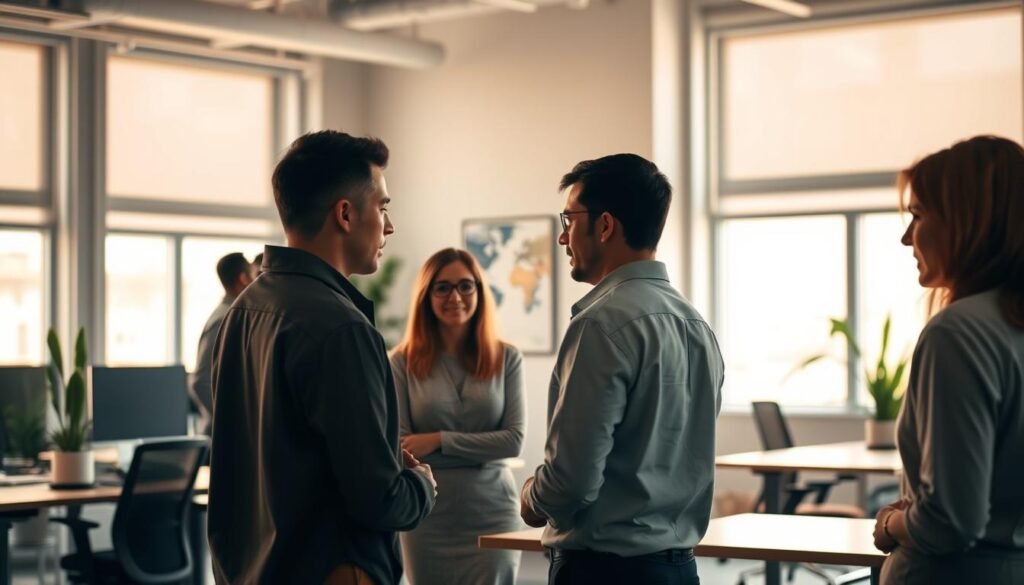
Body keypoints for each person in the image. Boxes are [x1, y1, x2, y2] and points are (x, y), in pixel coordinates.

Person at [208, 131, 436, 585]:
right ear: (346, 214)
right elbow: (379, 500)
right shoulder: (342, 329)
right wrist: (421, 486)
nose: (389, 226)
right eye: (383, 207)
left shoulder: (245, 309)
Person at [520, 153, 724, 584]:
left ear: (606, 225)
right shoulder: (696, 325)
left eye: (569, 220)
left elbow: (570, 482)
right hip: (681, 570)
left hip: (605, 572)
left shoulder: (600, 324)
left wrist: (531, 500)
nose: (563, 238)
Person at [873, 135, 1024, 584]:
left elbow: (952, 521)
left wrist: (892, 523)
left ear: (967, 222)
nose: (905, 238)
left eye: (917, 215)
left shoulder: (958, 332)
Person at [390, 248, 525, 585]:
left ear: (479, 291)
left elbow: (513, 441)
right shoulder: (400, 362)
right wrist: (480, 451)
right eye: (443, 287)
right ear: (426, 296)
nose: (456, 296)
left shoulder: (507, 358)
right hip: (428, 517)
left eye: (466, 286)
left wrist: (437, 441)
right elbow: (405, 448)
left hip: (493, 514)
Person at [189, 252, 254, 435]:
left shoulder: (235, 315)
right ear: (243, 279)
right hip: (220, 435)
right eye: (253, 276)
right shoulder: (224, 319)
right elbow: (200, 381)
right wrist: (232, 419)